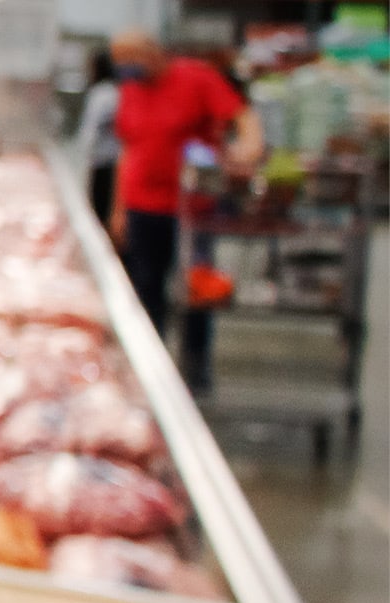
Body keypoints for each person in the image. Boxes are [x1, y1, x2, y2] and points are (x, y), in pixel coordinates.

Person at [108, 29, 263, 393]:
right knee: (147, 287)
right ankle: (150, 368)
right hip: (143, 205)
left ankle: (195, 370)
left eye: (130, 59)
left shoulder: (197, 78)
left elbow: (242, 115)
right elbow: (127, 152)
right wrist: (118, 210)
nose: (125, 69)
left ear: (153, 52)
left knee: (195, 289)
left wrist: (248, 148)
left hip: (191, 208)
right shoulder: (131, 90)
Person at [77, 52, 121, 225]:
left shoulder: (103, 94)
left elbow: (91, 130)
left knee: (100, 212)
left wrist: (84, 154)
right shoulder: (113, 92)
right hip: (106, 159)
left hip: (105, 161)